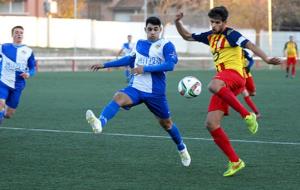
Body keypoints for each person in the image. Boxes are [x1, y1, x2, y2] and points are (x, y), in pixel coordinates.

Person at [175, 6, 282, 176]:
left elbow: (250, 44)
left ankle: (247, 115)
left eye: (217, 22)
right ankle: (235, 161)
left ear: (225, 22)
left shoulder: (231, 34)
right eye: (212, 22)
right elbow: (187, 36)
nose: (214, 25)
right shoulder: (210, 36)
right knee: (211, 124)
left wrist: (267, 58)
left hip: (235, 76)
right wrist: (177, 22)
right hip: (224, 82)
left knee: (213, 85)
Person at [85, 16, 191, 167]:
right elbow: (129, 59)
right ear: (145, 30)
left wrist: (145, 68)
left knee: (167, 124)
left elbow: (170, 65)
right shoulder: (140, 44)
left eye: (155, 29)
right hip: (136, 88)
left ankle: (181, 148)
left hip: (156, 93)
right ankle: (99, 123)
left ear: (160, 30)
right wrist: (104, 64)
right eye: (149, 29)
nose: (152, 32)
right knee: (118, 97)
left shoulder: (166, 45)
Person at [0, 25, 36, 124]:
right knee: (0, 104)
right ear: (12, 35)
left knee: (9, 114)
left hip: (18, 85)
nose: (19, 34)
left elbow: (33, 68)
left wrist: (29, 73)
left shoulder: (28, 51)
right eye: (16, 32)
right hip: (3, 82)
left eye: (21, 32)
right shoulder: (3, 47)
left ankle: (3, 114)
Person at [241, 49, 260, 118]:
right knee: (245, 94)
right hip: (238, 76)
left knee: (253, 93)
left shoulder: (243, 51)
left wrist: (248, 67)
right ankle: (257, 113)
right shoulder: (229, 53)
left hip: (247, 75)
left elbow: (251, 60)